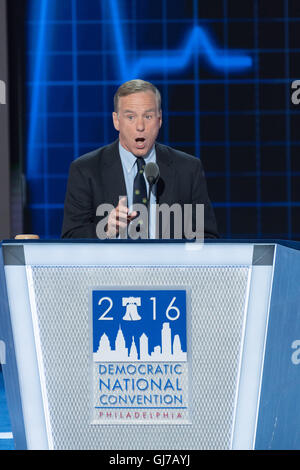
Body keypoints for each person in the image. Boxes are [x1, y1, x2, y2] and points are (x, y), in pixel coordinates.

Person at [61, 79, 218, 240]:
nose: (140, 126)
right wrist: (106, 230)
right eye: (131, 117)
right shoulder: (86, 170)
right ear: (116, 121)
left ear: (159, 119)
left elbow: (207, 237)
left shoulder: (188, 169)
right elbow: (71, 238)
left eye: (148, 116)